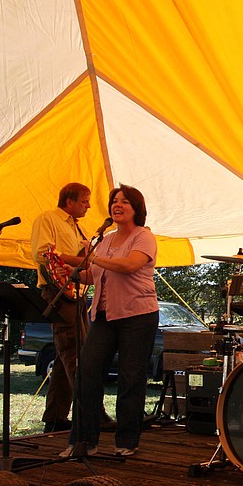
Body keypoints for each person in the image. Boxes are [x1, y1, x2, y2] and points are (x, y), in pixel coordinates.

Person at [61, 184, 159, 458]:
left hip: (138, 316)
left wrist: (93, 257)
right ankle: (83, 441)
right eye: (114, 201)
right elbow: (92, 276)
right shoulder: (105, 240)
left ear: (136, 208)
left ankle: (127, 441)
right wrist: (69, 272)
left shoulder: (144, 237)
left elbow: (129, 265)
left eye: (125, 202)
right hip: (104, 315)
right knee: (87, 373)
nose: (117, 205)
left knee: (130, 378)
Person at [30, 183, 92, 433]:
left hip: (75, 293)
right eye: (84, 201)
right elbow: (44, 254)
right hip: (58, 290)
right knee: (75, 351)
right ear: (69, 201)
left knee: (64, 354)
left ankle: (55, 416)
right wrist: (79, 260)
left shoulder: (78, 227)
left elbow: (85, 259)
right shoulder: (48, 219)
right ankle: (91, 413)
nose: (88, 205)